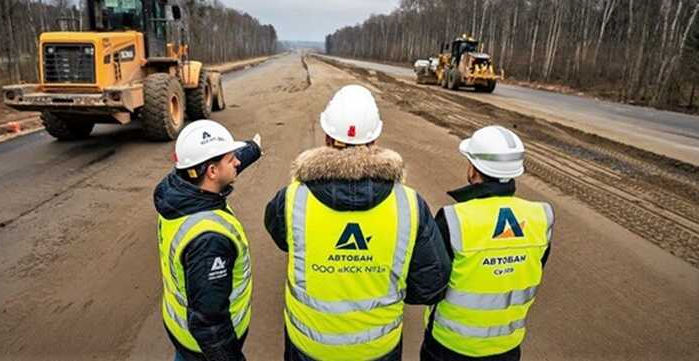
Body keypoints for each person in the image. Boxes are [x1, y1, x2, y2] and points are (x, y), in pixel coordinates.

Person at [264, 84, 450, 361]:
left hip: (309, 349)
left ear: (327, 136)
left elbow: (283, 239)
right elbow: (432, 283)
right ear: (374, 139)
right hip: (378, 350)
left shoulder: (291, 200)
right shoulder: (409, 204)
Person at [421, 125, 554, 361]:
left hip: (450, 346)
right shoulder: (541, 217)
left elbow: (431, 285)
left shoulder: (454, 219)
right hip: (507, 347)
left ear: (473, 170)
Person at [155, 120, 262, 361]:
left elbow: (218, 164)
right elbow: (209, 324)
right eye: (231, 158)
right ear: (212, 171)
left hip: (181, 330)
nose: (237, 161)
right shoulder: (208, 240)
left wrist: (252, 149)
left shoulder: (178, 192)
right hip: (204, 350)